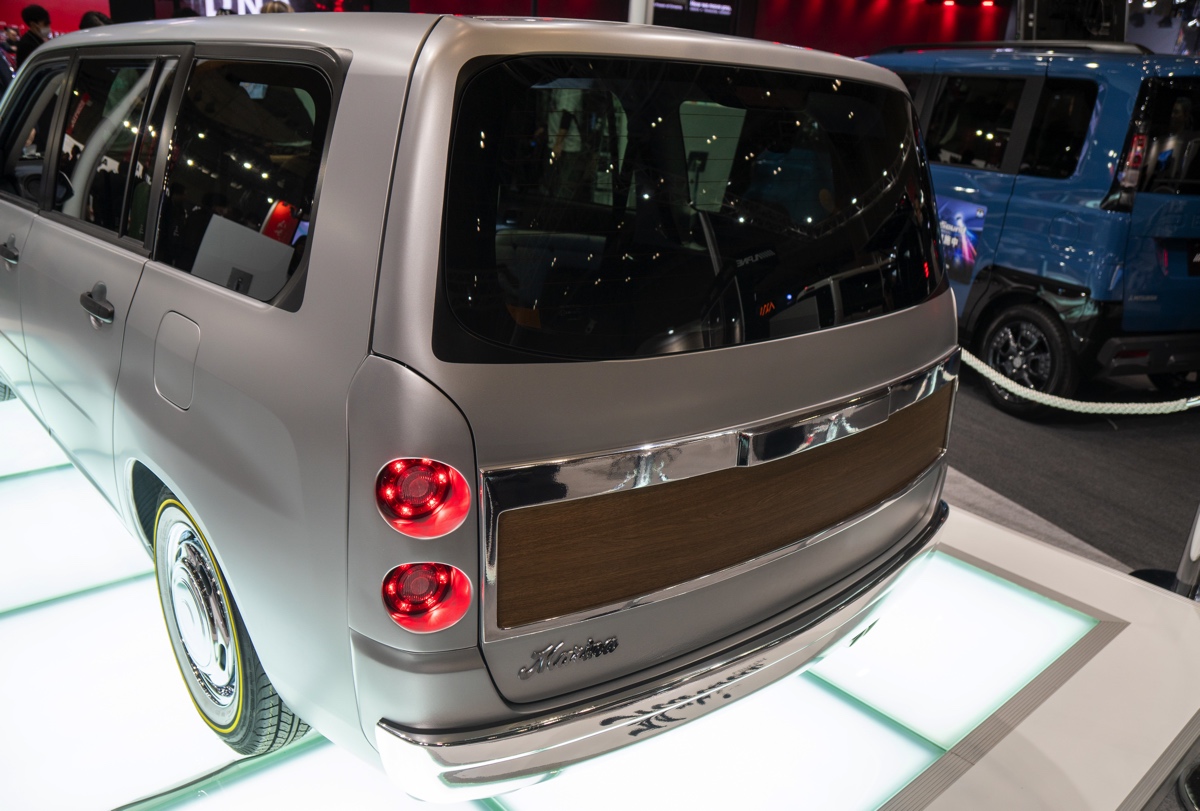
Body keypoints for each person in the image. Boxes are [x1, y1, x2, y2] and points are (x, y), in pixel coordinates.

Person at [15, 4, 49, 69]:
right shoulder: (26, 45)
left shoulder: (37, 39)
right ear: (33, 24)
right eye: (45, 24)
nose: (48, 27)